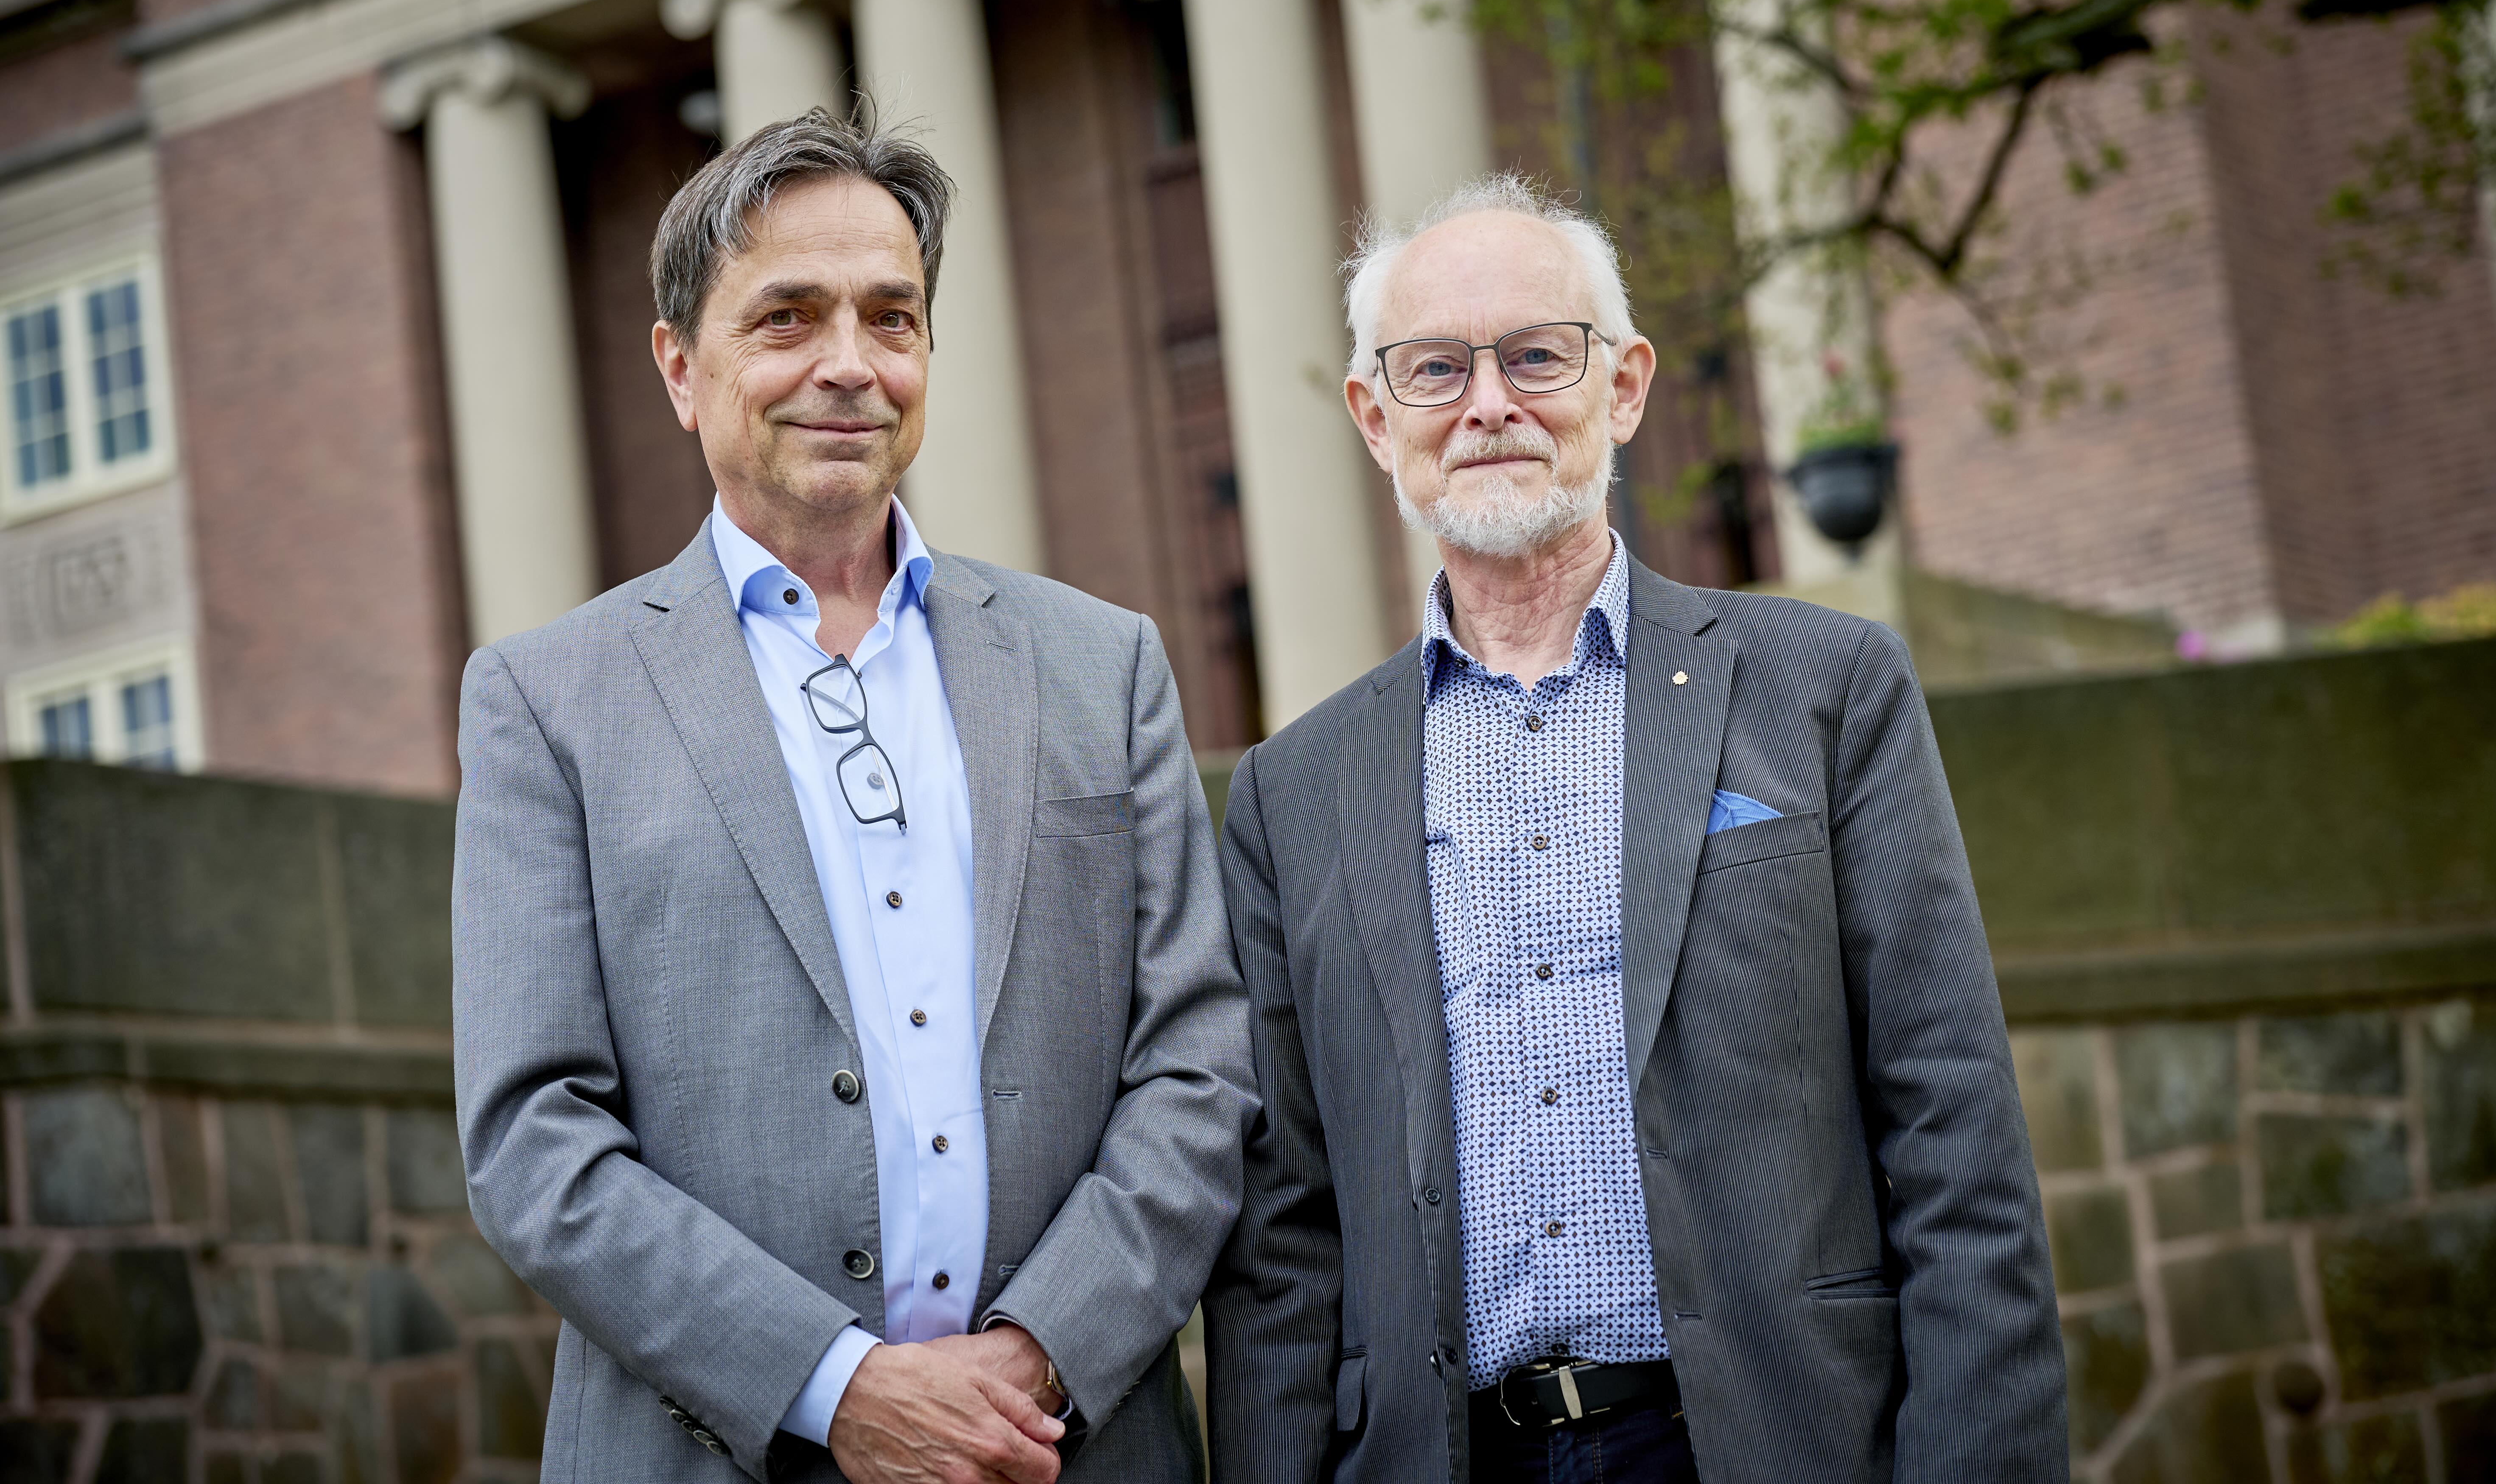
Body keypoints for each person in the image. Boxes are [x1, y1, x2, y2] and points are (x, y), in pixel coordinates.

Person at [1203, 174, 2067, 1483]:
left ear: (1624, 386)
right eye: (1436, 368)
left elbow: (1957, 1141)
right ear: (1378, 421)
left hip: (1776, 1442)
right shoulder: (1293, 792)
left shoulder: (1826, 691)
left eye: (1537, 355)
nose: (1489, 404)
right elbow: (1282, 1244)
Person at [452, 106, 1251, 1484]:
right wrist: (838, 1389)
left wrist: (1034, 1360)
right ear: (681, 367)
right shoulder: (545, 702)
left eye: (893, 318)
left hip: (1063, 1447)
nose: (850, 364)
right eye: (788, 318)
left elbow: (1201, 1061)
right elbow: (535, 1143)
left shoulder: (1101, 665)